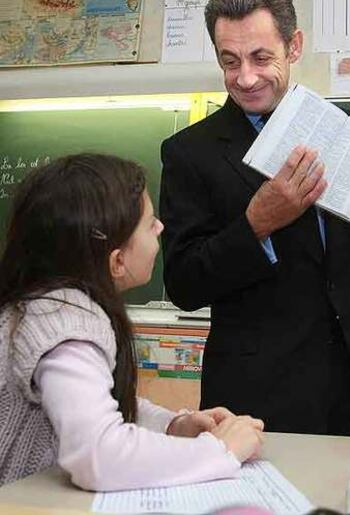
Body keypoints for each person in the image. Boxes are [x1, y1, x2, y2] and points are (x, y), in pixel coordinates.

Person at [160, 0, 350, 437]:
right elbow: (183, 283)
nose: (245, 77)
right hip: (257, 394)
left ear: (293, 46)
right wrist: (256, 224)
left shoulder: (347, 128)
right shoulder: (189, 153)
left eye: (261, 58)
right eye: (229, 61)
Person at [0, 153, 264, 489]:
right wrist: (219, 450)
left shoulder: (49, 305)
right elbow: (99, 455)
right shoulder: (65, 324)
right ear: (117, 261)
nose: (161, 227)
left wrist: (173, 426)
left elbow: (98, 405)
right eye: (150, 222)